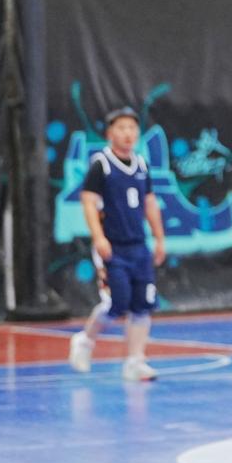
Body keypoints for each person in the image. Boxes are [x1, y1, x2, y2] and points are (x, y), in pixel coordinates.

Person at [68, 107, 167, 381]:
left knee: (143, 304)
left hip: (139, 246)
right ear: (110, 133)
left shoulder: (142, 165)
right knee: (116, 303)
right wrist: (99, 237)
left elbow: (150, 203)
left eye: (132, 128)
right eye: (121, 128)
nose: (127, 133)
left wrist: (159, 238)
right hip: (113, 246)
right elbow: (88, 202)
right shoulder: (101, 164)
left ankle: (135, 361)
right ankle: (85, 340)